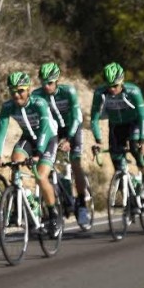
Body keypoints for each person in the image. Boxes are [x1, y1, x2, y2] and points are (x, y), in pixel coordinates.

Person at [0, 71, 61, 237]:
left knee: (41, 177)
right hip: (28, 138)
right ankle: (21, 202)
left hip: (48, 138)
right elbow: (1, 130)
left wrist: (38, 153)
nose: (16, 95)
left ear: (29, 89)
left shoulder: (39, 103)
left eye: (21, 91)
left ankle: (53, 215)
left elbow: (45, 128)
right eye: (13, 91)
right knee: (15, 161)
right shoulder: (8, 106)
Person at [34, 62, 91, 226]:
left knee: (75, 163)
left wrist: (68, 139)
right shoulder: (37, 95)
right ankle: (55, 199)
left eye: (50, 83)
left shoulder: (68, 92)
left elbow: (76, 117)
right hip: (54, 130)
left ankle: (82, 204)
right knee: (45, 164)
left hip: (72, 127)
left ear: (57, 81)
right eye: (43, 82)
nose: (46, 86)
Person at [89, 62, 144, 200]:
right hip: (116, 125)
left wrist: (142, 139)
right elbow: (94, 118)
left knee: (135, 148)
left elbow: (143, 116)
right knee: (116, 159)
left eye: (115, 86)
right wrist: (98, 140)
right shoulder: (100, 93)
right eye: (109, 86)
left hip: (135, 122)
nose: (112, 89)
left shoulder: (133, 91)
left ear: (122, 81)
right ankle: (129, 190)